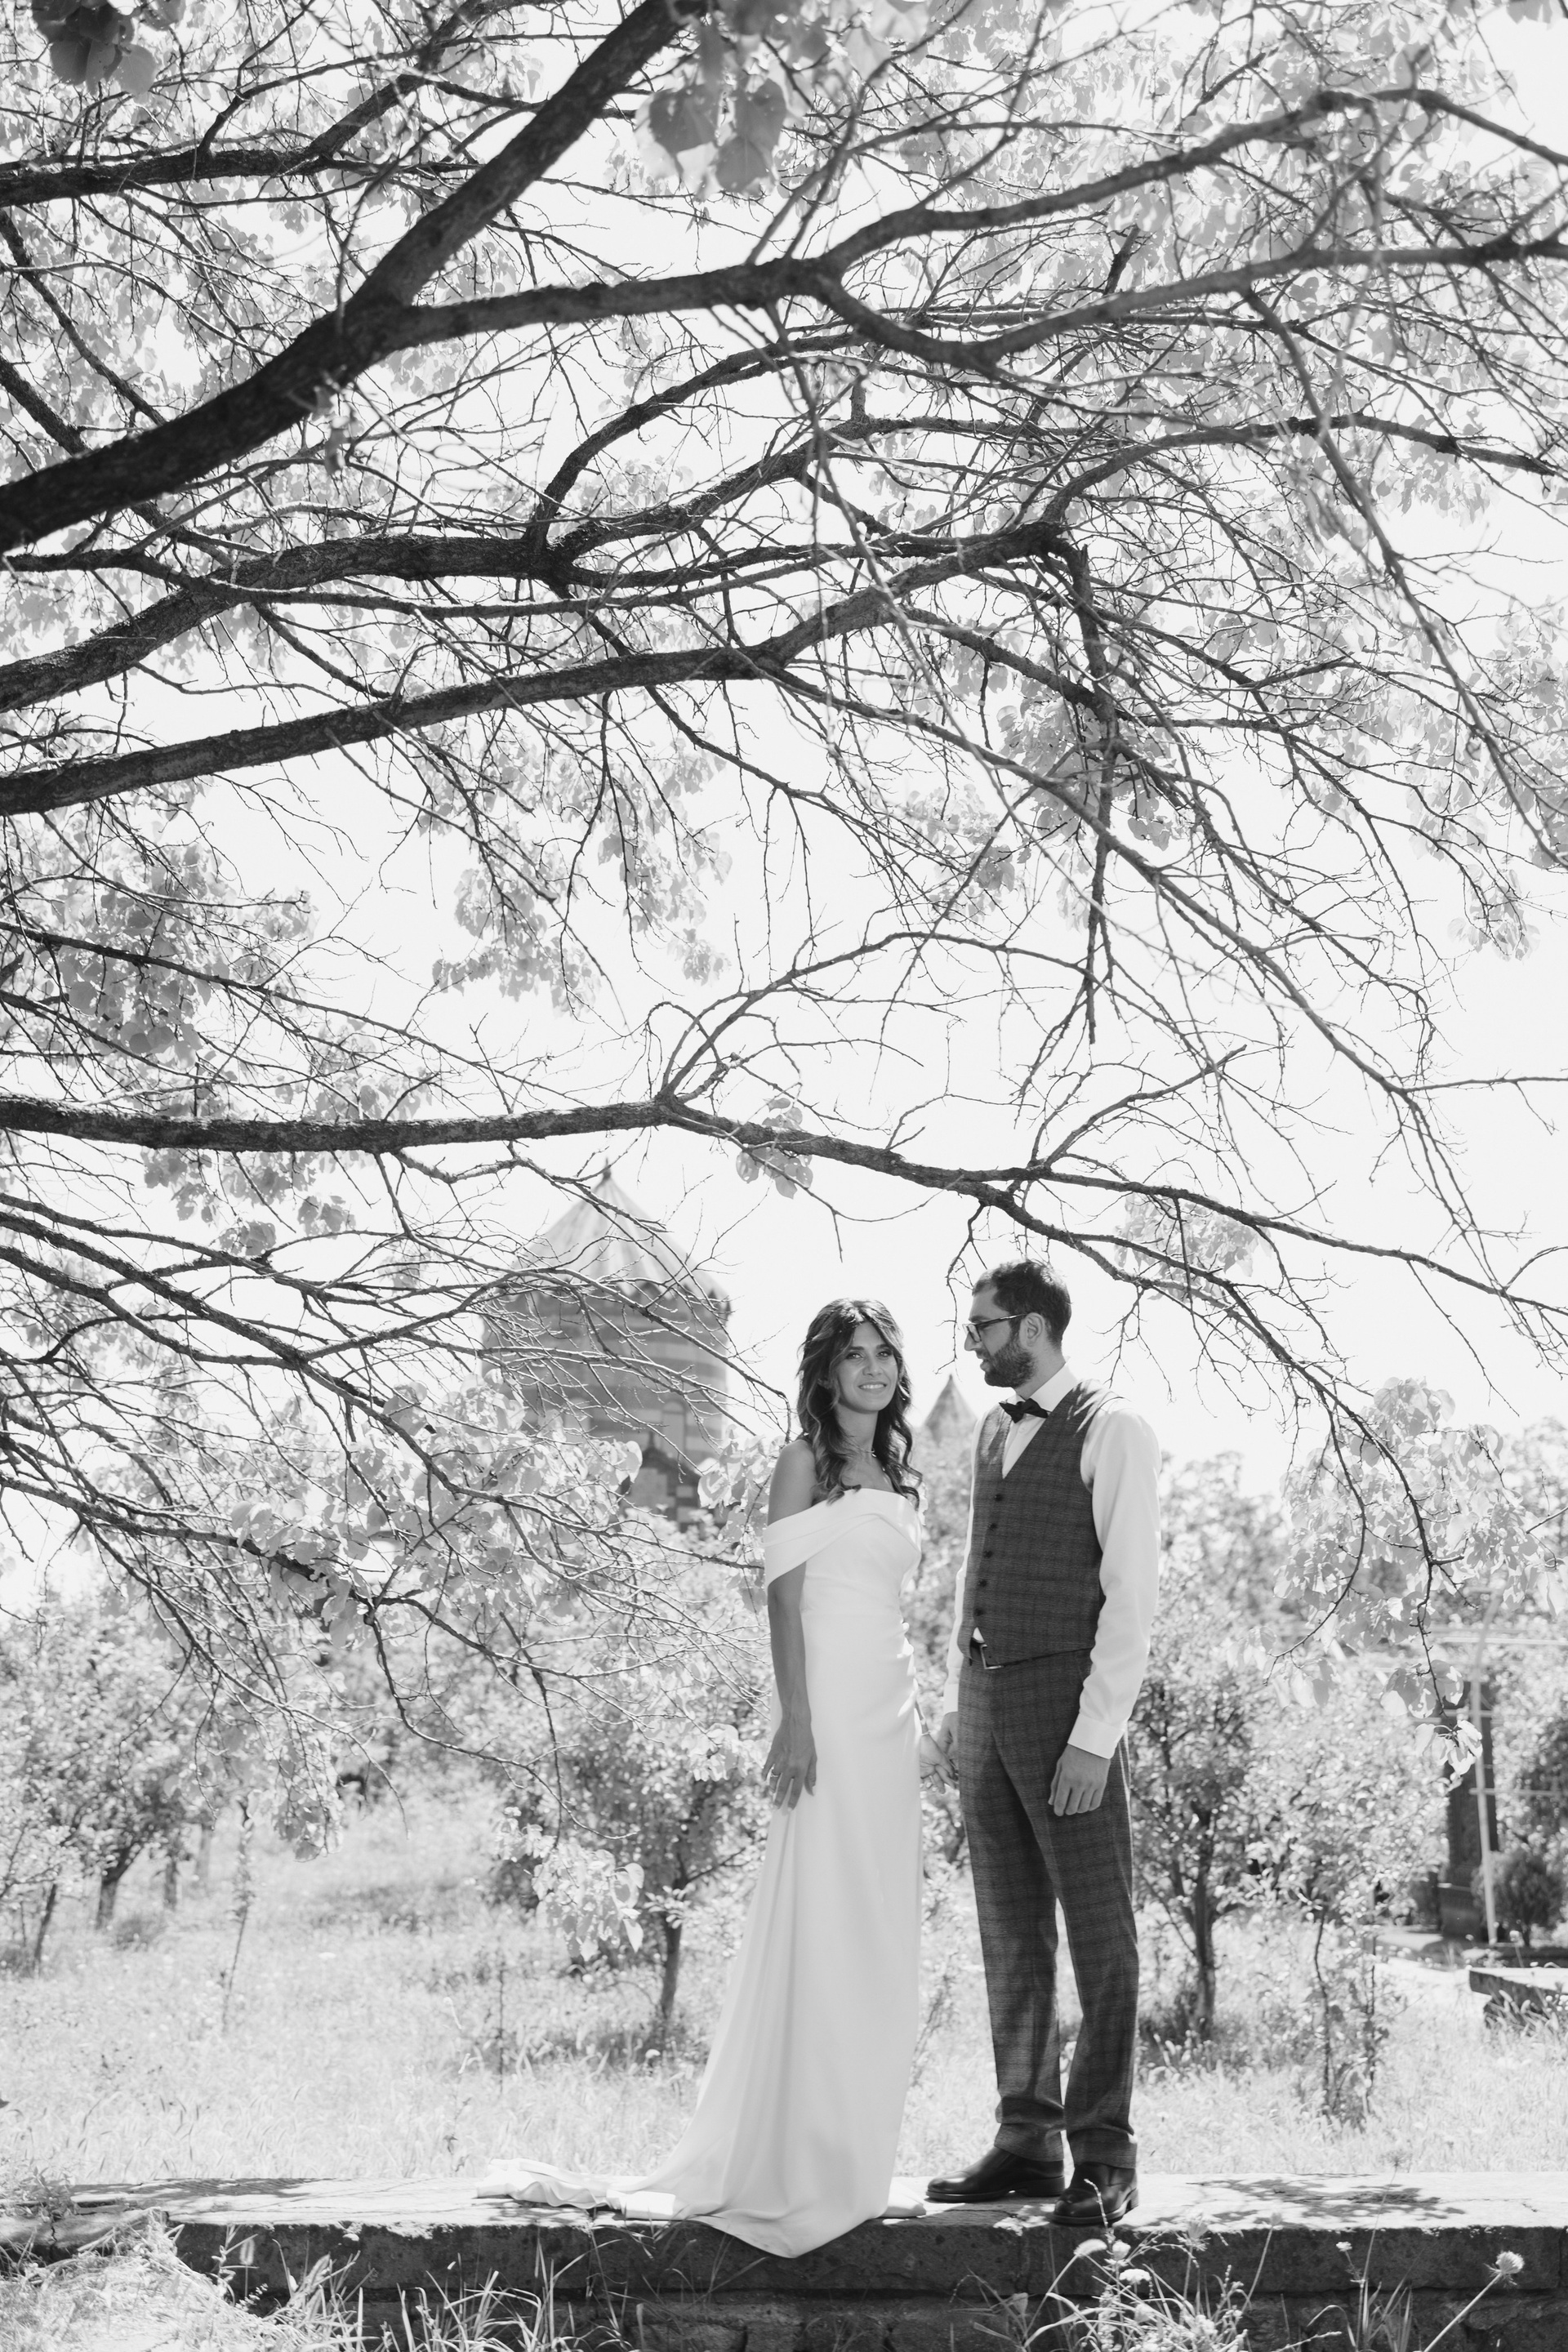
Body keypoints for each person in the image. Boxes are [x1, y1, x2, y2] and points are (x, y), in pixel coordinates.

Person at [483, 1298, 942, 2256]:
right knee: (825, 1913)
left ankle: (855, 2158)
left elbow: (893, 1603)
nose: (874, 1367)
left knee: (879, 1924)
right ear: (826, 1371)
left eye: (885, 1352)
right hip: (826, 1709)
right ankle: (797, 2158)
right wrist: (798, 1719)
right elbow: (783, 1596)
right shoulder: (803, 1461)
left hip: (891, 1709)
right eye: (854, 1354)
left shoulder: (903, 1471)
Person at [925, 1261, 1160, 2229]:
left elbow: (1133, 1597)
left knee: (1101, 1936)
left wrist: (1094, 1738)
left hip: (1068, 1709)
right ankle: (1026, 2139)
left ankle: (1105, 2155)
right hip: (986, 1704)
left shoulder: (1115, 1428)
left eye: (981, 1326)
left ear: (1029, 1327)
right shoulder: (992, 1429)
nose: (971, 1342)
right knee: (1010, 1931)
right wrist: (957, 1699)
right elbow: (974, 1569)